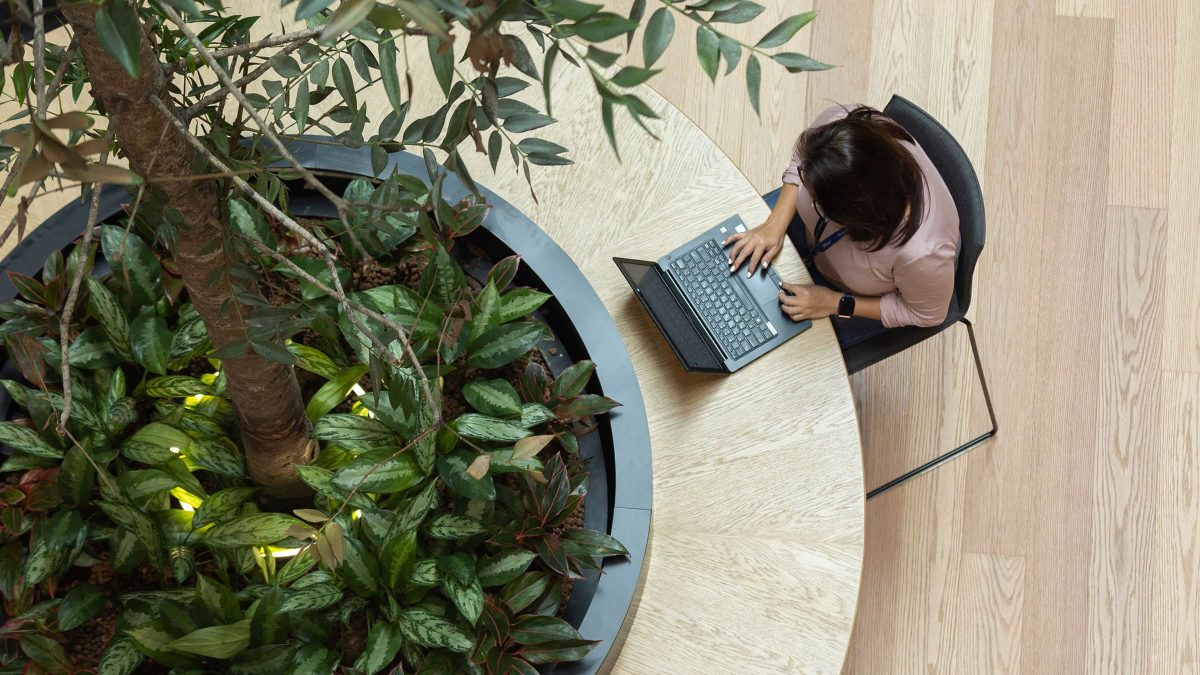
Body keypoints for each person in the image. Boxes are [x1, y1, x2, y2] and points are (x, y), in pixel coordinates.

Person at [724, 104, 960, 349]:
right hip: (819, 242)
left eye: (817, 202)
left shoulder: (923, 254)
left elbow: (928, 314)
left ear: (853, 214)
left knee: (762, 352)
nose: (806, 193)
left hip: (854, 296)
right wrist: (773, 224)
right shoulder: (842, 128)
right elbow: (802, 158)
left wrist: (836, 303)